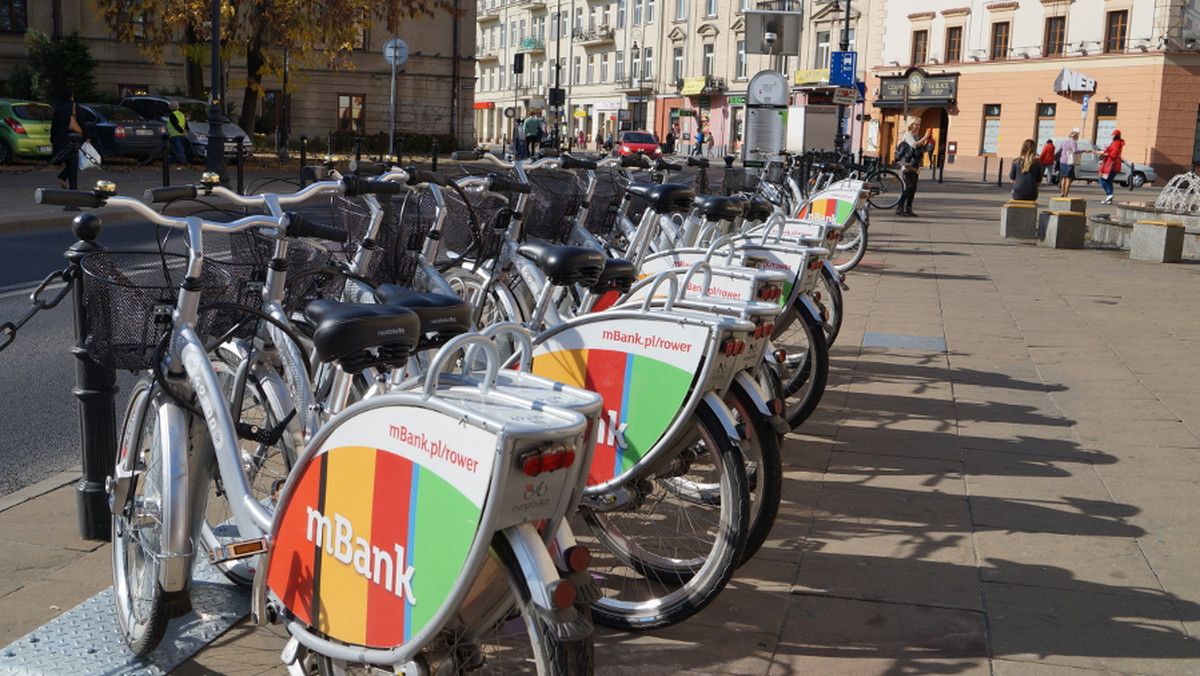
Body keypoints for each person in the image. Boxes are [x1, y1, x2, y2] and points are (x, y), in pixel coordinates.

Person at [894, 116, 934, 217]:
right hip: (907, 165)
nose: (918, 126)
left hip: (914, 165)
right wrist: (924, 138)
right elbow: (914, 145)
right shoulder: (907, 134)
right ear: (911, 125)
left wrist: (927, 143)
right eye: (916, 124)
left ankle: (909, 208)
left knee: (913, 188)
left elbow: (920, 148)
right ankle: (899, 207)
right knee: (908, 187)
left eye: (919, 124)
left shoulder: (916, 136)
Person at [50, 90, 84, 193]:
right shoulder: (75, 107)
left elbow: (54, 125)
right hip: (72, 138)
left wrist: (52, 138)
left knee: (70, 162)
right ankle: (68, 181)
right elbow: (82, 123)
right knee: (73, 161)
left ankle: (71, 182)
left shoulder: (58, 109)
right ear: (71, 97)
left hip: (60, 139)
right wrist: (87, 136)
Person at [1098, 129, 1125, 204]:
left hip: (1111, 165)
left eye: (1113, 134)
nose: (1112, 136)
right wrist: (1104, 152)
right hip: (1115, 165)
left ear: (1115, 135)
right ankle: (1109, 198)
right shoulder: (1117, 143)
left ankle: (1109, 194)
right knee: (1109, 181)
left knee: (1102, 179)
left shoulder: (1116, 143)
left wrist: (1105, 154)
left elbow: (1114, 154)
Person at [1056, 129, 1081, 197]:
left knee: (1063, 178)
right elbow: (1075, 151)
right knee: (1068, 179)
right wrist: (1084, 151)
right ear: (1075, 137)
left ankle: (1062, 192)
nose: (1078, 138)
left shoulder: (1064, 142)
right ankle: (1066, 194)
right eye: (1077, 136)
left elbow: (1057, 151)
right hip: (1069, 161)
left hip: (1062, 161)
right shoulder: (1073, 142)